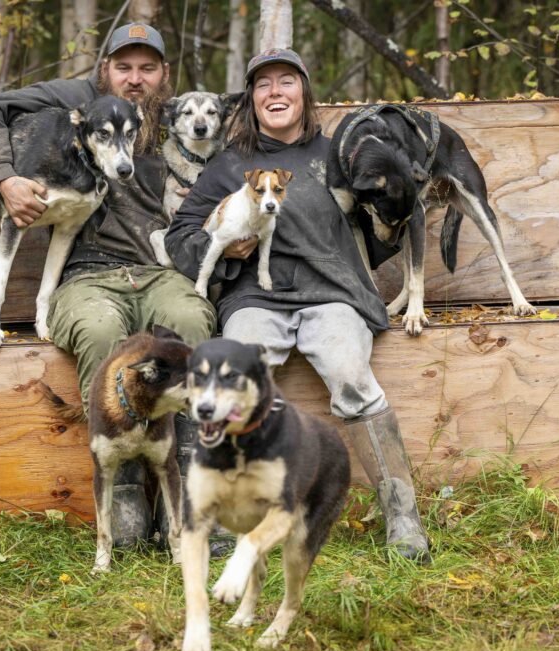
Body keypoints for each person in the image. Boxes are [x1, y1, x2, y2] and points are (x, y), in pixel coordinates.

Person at [165, 48, 431, 562]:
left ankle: (403, 518)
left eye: (286, 81)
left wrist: (394, 212)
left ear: (305, 93)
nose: (275, 92)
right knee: (227, 381)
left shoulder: (343, 156)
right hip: (255, 298)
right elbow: (181, 237)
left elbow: (378, 238)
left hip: (333, 295)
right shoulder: (230, 166)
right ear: (251, 100)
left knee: (350, 374)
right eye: (263, 85)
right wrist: (225, 249)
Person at [0, 24, 215, 548]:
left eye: (147, 69)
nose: (135, 79)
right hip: (84, 274)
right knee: (99, 333)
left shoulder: (184, 119)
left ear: (164, 76)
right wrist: (4, 178)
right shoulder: (74, 101)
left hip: (158, 269)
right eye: (124, 67)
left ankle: (185, 490)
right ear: (105, 71)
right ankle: (120, 492)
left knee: (191, 322)